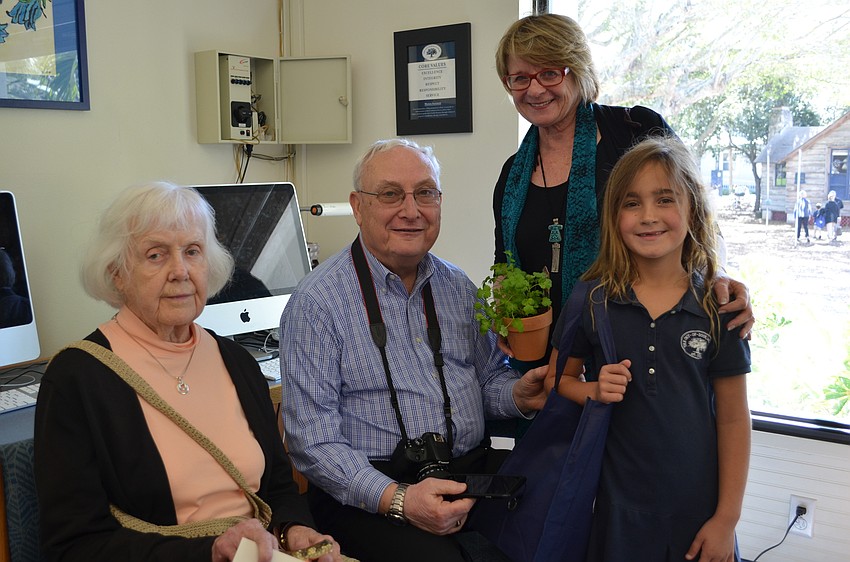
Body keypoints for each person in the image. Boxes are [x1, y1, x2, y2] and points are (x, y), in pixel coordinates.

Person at [34, 182, 343, 562]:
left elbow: (278, 486)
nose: (180, 271)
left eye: (192, 251)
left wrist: (294, 530)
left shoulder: (236, 361)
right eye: (155, 255)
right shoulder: (77, 378)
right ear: (117, 273)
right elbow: (73, 546)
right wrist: (209, 552)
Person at [279, 138, 549, 562]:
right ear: (357, 206)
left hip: (466, 475)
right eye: (390, 194)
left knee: (560, 516)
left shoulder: (457, 287)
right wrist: (399, 499)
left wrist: (519, 395)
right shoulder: (317, 304)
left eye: (425, 192)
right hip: (372, 494)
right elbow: (312, 444)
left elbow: (487, 382)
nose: (411, 210)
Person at [492, 14, 754, 357]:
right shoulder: (512, 174)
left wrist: (718, 276)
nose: (535, 89)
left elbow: (697, 218)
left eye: (550, 73)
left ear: (578, 69)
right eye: (520, 78)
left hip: (641, 346)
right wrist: (503, 317)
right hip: (546, 365)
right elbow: (503, 263)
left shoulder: (636, 131)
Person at [547, 137, 751, 561]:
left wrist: (726, 519)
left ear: (692, 208)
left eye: (664, 199)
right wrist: (594, 391)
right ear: (613, 216)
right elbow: (558, 379)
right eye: (631, 203)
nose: (649, 217)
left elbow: (734, 419)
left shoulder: (719, 306)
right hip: (615, 516)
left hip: (699, 517)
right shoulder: (592, 299)